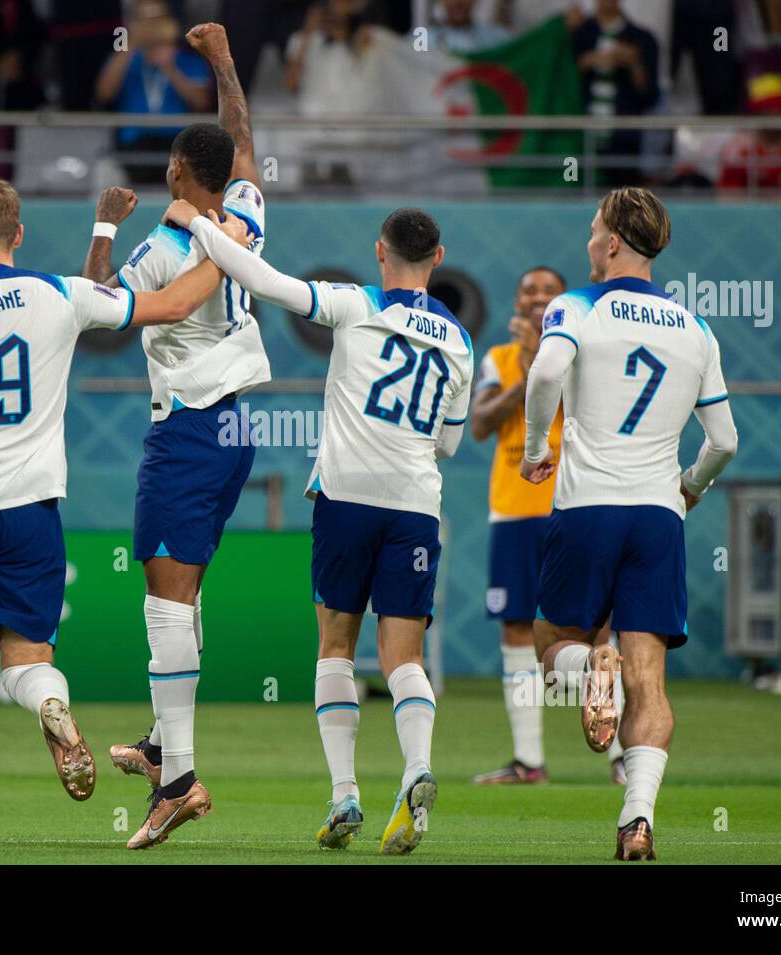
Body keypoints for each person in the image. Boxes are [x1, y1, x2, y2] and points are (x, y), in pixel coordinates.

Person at [0, 172, 247, 851]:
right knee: (25, 660)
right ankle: (48, 701)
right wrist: (227, 245)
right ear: (20, 234)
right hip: (31, 508)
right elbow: (175, 305)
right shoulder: (62, 293)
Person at [174, 199, 473, 855]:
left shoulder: (354, 302)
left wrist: (197, 222)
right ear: (438, 260)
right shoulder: (459, 338)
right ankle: (416, 767)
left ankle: (345, 793)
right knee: (405, 656)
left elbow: (261, 280)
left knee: (336, 646)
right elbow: (449, 442)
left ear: (379, 251)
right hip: (417, 503)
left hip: (347, 501)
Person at [82, 22, 271, 850]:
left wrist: (102, 228)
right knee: (184, 594)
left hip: (188, 428)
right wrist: (226, 64)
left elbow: (97, 318)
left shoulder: (162, 249)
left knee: (164, 601)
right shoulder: (245, 212)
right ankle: (165, 743)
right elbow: (243, 141)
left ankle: (181, 779)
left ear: (171, 173)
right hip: (237, 427)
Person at [521, 187, 738, 861]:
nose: (589, 242)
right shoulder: (696, 330)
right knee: (650, 678)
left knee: (550, 640)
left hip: (588, 506)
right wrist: (690, 489)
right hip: (657, 515)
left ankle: (591, 666)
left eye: (593, 231)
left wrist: (536, 448)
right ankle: (637, 818)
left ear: (613, 241)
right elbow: (725, 439)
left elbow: (549, 367)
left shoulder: (578, 306)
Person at [469, 266, 625, 786]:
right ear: (516, 301)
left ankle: (621, 756)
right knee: (516, 629)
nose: (537, 297)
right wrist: (529, 370)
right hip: (513, 511)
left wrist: (548, 358)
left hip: (576, 505)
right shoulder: (499, 359)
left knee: (600, 629)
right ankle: (529, 761)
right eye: (528, 290)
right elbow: (480, 423)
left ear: (565, 301)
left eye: (548, 291)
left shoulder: (586, 350)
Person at [94, 3, 214, 183]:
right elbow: (104, 94)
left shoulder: (189, 59)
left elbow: (202, 102)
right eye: (143, 20)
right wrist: (132, 43)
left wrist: (169, 68)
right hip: (134, 141)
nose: (150, 27)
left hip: (177, 142)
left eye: (157, 20)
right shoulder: (125, 59)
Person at [572, 0, 660, 185]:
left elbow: (650, 96)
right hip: (580, 140)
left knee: (622, 206)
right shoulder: (579, 35)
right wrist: (587, 62)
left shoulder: (643, 38)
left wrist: (634, 64)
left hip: (622, 142)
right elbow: (559, 82)